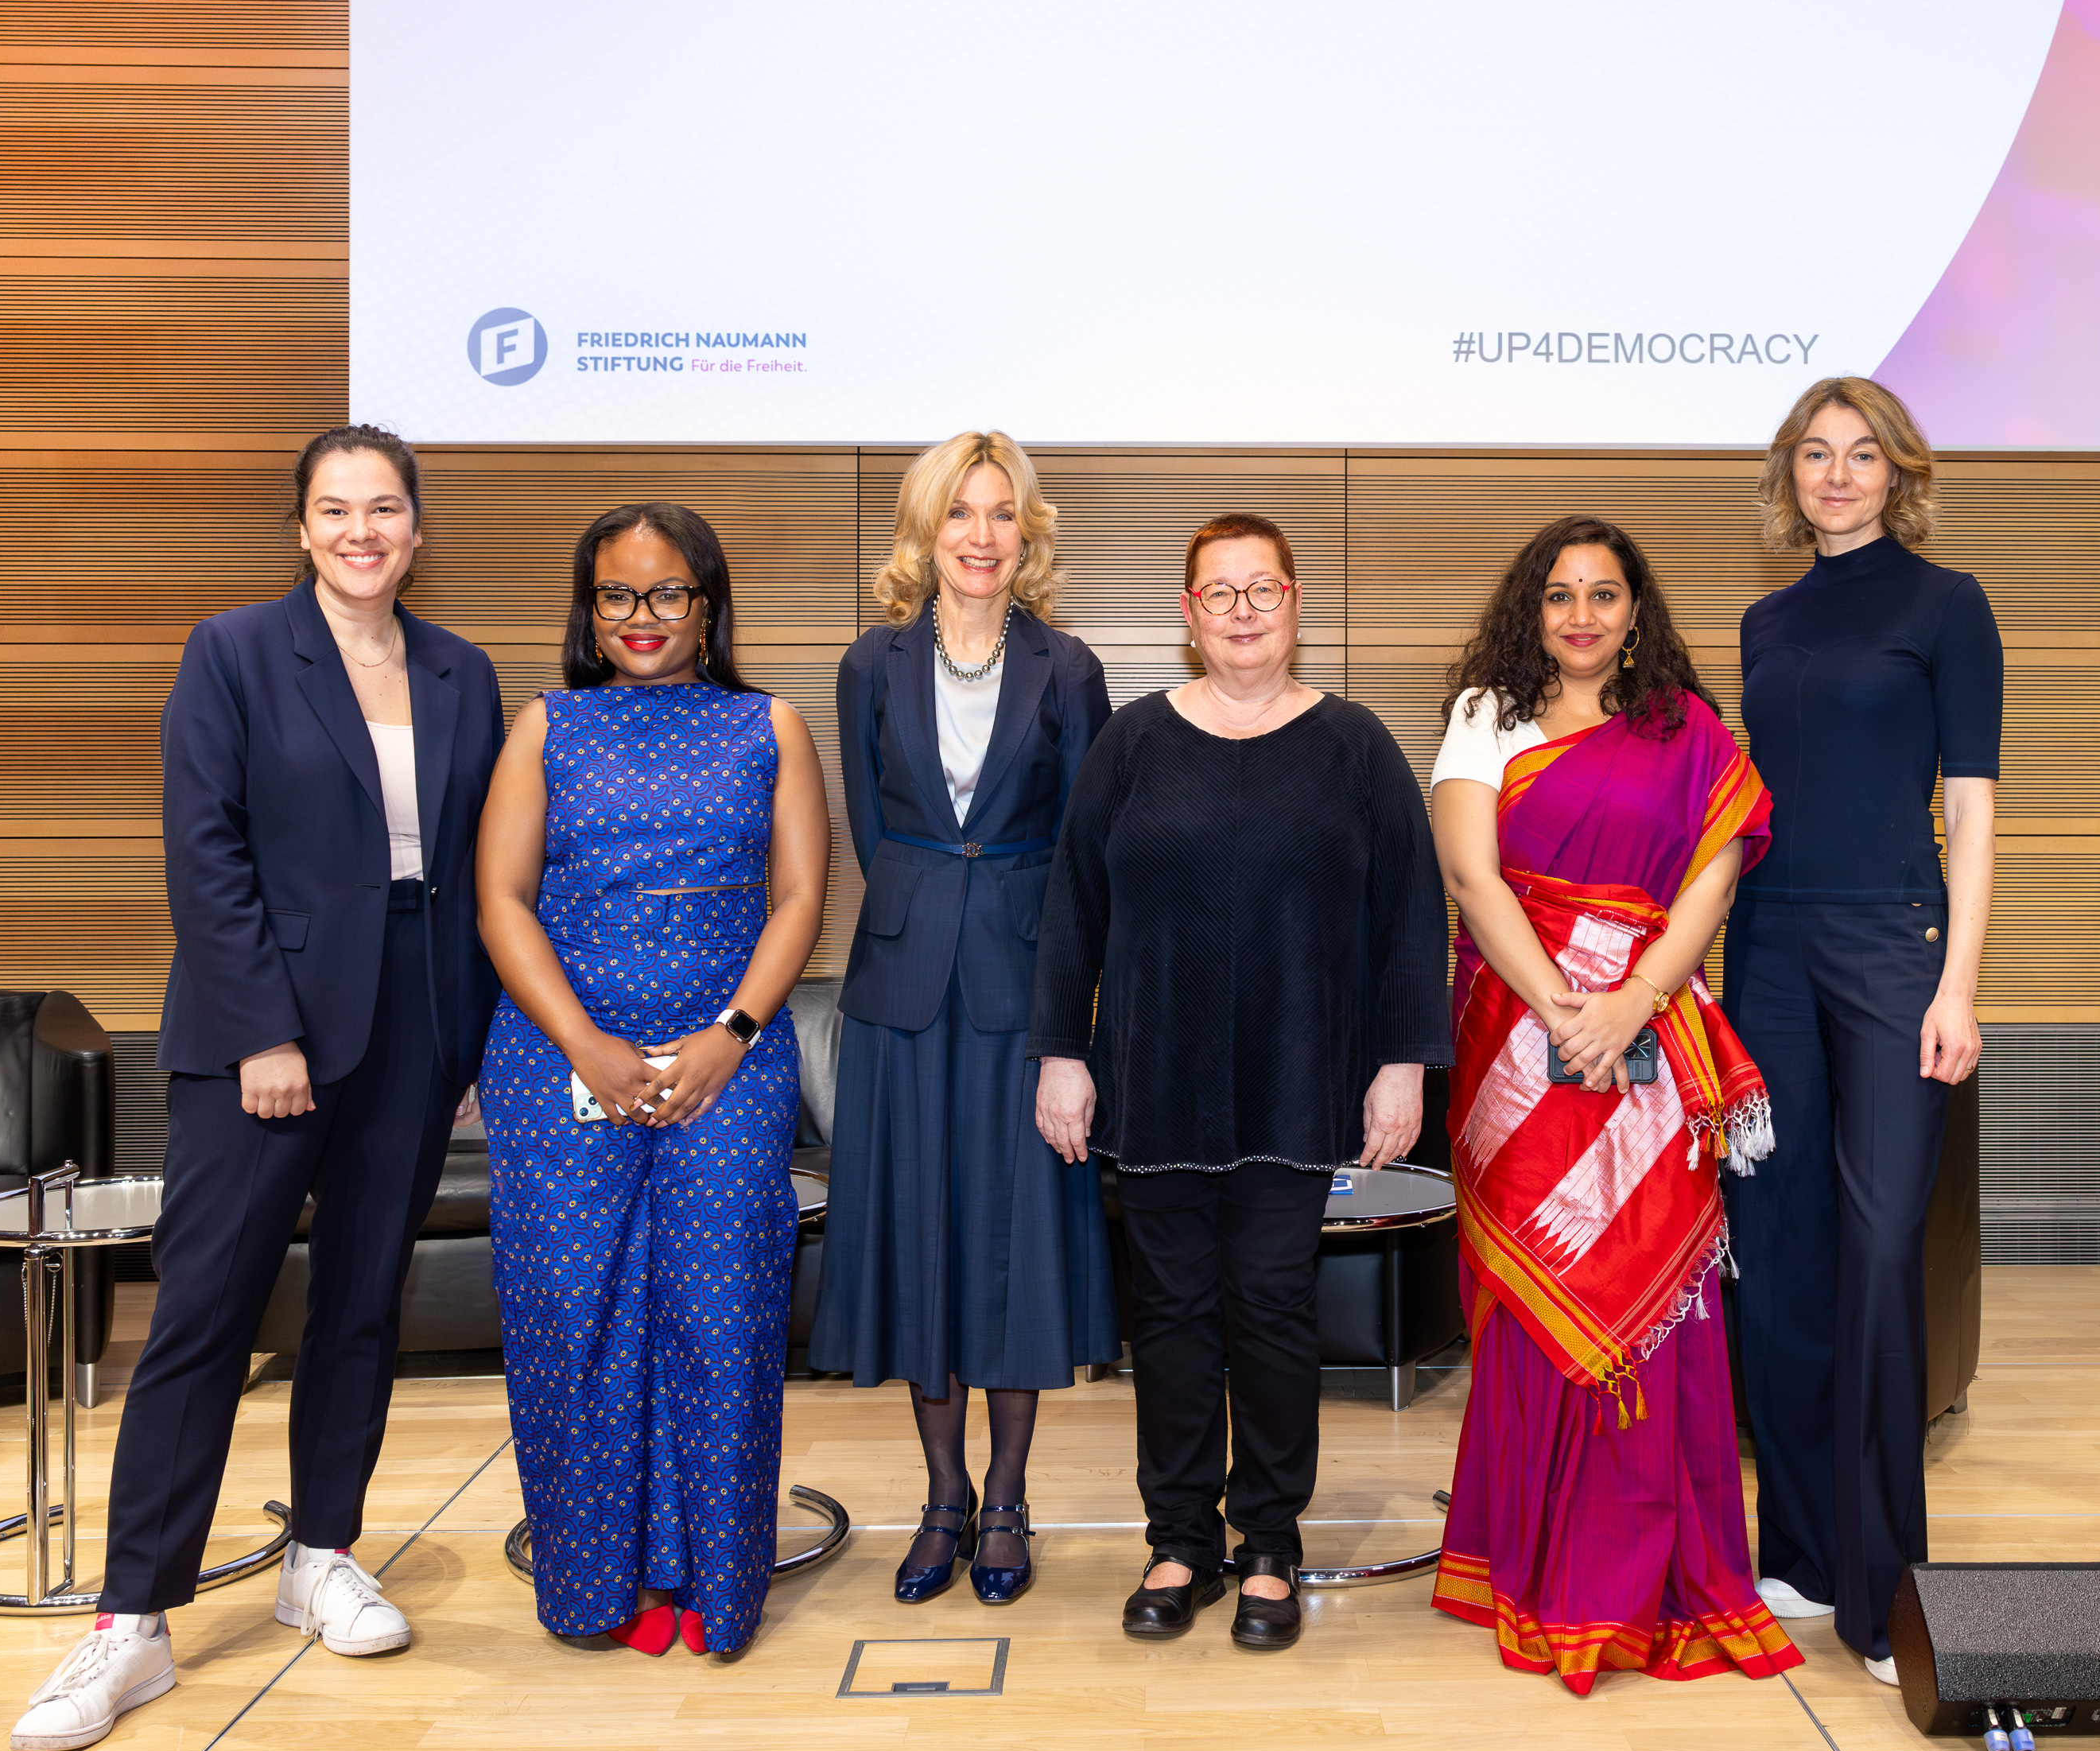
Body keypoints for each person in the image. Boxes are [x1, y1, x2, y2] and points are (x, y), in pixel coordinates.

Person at [13, 426, 507, 1751]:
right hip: (263, 1034)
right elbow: (205, 853)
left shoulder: (463, 672)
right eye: (336, 509)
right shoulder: (232, 653)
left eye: (386, 508)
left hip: (417, 1025)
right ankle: (132, 1622)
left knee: (358, 1307)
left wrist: (465, 1041)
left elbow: (467, 872)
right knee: (206, 1316)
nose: (363, 531)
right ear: (301, 528)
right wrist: (263, 1034)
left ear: (416, 527)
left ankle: (323, 1555)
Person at [1031, 514, 1451, 1652]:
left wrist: (1401, 1067)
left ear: (1296, 601)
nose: (1243, 610)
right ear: (1188, 613)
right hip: (1153, 1082)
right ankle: (1181, 1541)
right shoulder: (1130, 745)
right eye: (1220, 592)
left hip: (1297, 1081)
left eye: (1263, 588)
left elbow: (1412, 919)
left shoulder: (1356, 747)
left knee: (1270, 1314)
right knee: (1167, 1319)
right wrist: (1061, 1052)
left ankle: (1268, 1541)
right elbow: (1074, 910)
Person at [1425, 516, 1800, 1692]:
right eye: (1557, 596)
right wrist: (1563, 1011)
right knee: (1541, 1301)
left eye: (1604, 594)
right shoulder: (1487, 715)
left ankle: (1661, 1581)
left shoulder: (1685, 730)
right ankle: (1534, 1572)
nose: (1581, 616)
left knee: (1655, 1301)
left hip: (1646, 1048)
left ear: (1637, 610)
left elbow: (1717, 875)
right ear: (1527, 612)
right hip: (1518, 1049)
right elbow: (1468, 876)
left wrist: (1630, 1002)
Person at [476, 502, 829, 1659]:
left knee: (720, 1316)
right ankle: (597, 1582)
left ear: (708, 605)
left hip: (728, 1058)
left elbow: (799, 902)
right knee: (575, 1317)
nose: (642, 617)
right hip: (558, 1057)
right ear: (589, 610)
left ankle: (711, 1582)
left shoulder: (769, 725)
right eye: (617, 596)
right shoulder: (546, 727)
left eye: (667, 593)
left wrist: (729, 1035)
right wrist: (587, 1044)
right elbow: (502, 903)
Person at [1724, 375, 2001, 1684]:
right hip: (1768, 949)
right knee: (1777, 1247)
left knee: (1884, 1249)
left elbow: (1974, 810)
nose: (1838, 475)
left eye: (1863, 455)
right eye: (1817, 455)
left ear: (1899, 473)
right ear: (1791, 476)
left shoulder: (1948, 608)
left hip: (1896, 951)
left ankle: (1888, 1587)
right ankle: (1800, 1547)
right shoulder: (1763, 622)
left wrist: (1961, 985)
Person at [811, 432, 1118, 1607]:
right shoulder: (868, 663)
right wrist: (927, 914)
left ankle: (1007, 1500)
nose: (982, 536)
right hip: (898, 995)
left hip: (1022, 987)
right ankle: (941, 1496)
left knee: (1014, 1247)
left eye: (1001, 515)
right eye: (961, 515)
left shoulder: (1070, 666)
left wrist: (1069, 1026)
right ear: (926, 532)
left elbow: (1086, 859)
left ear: (1025, 534)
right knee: (919, 1246)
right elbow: (878, 839)